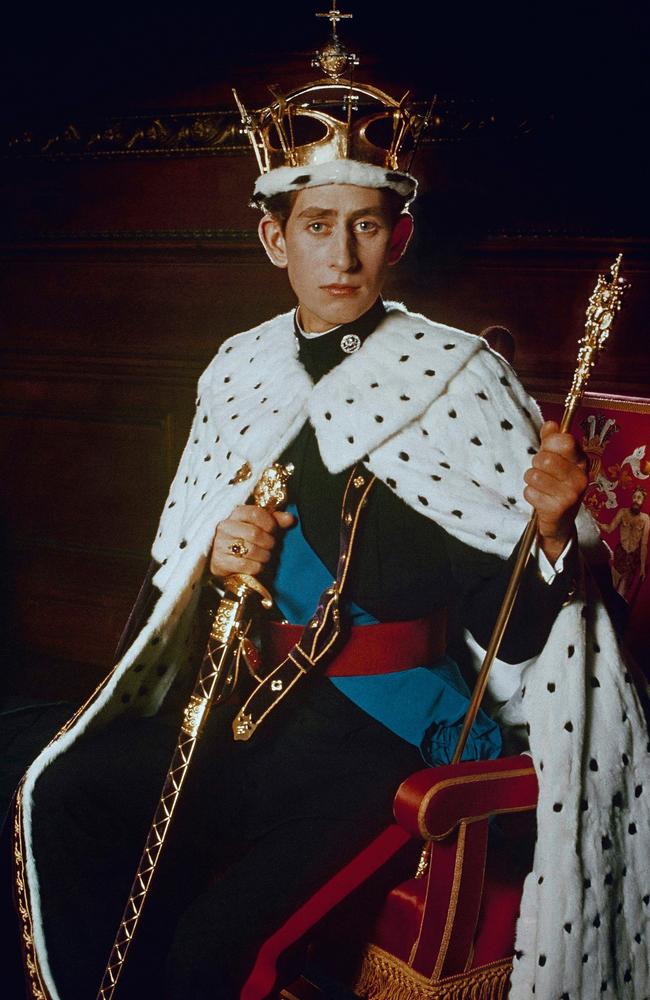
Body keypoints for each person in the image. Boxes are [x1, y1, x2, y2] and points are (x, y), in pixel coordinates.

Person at [8, 11, 649, 1000]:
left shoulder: (462, 378)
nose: (340, 255)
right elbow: (171, 596)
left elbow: (518, 643)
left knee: (209, 950)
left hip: (383, 734)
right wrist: (213, 563)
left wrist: (554, 530)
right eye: (316, 224)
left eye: (363, 225)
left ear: (398, 236)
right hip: (248, 708)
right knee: (62, 791)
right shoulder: (239, 371)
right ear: (274, 236)